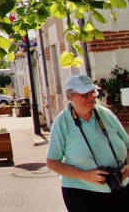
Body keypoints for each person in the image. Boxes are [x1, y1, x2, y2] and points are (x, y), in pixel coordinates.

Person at [46, 74, 129, 211]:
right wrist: (84, 175)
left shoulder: (106, 114)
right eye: (85, 95)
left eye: (93, 92)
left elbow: (128, 145)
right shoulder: (62, 123)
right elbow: (52, 162)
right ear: (69, 97)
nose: (91, 98)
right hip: (81, 194)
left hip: (120, 187)